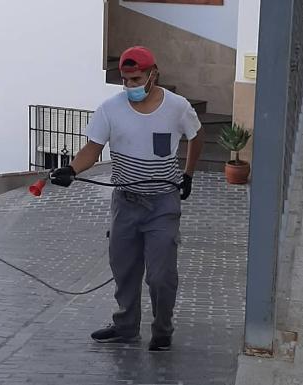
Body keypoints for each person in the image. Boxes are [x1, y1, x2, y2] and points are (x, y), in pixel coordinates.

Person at [50, 46, 204, 351]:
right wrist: (70, 169)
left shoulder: (177, 107)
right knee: (124, 270)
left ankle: (162, 328)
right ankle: (125, 327)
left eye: (136, 79)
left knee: (161, 276)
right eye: (126, 81)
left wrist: (188, 175)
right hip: (125, 203)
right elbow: (91, 151)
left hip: (162, 204)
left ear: (153, 74)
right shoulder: (110, 109)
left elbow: (195, 137)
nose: (131, 86)